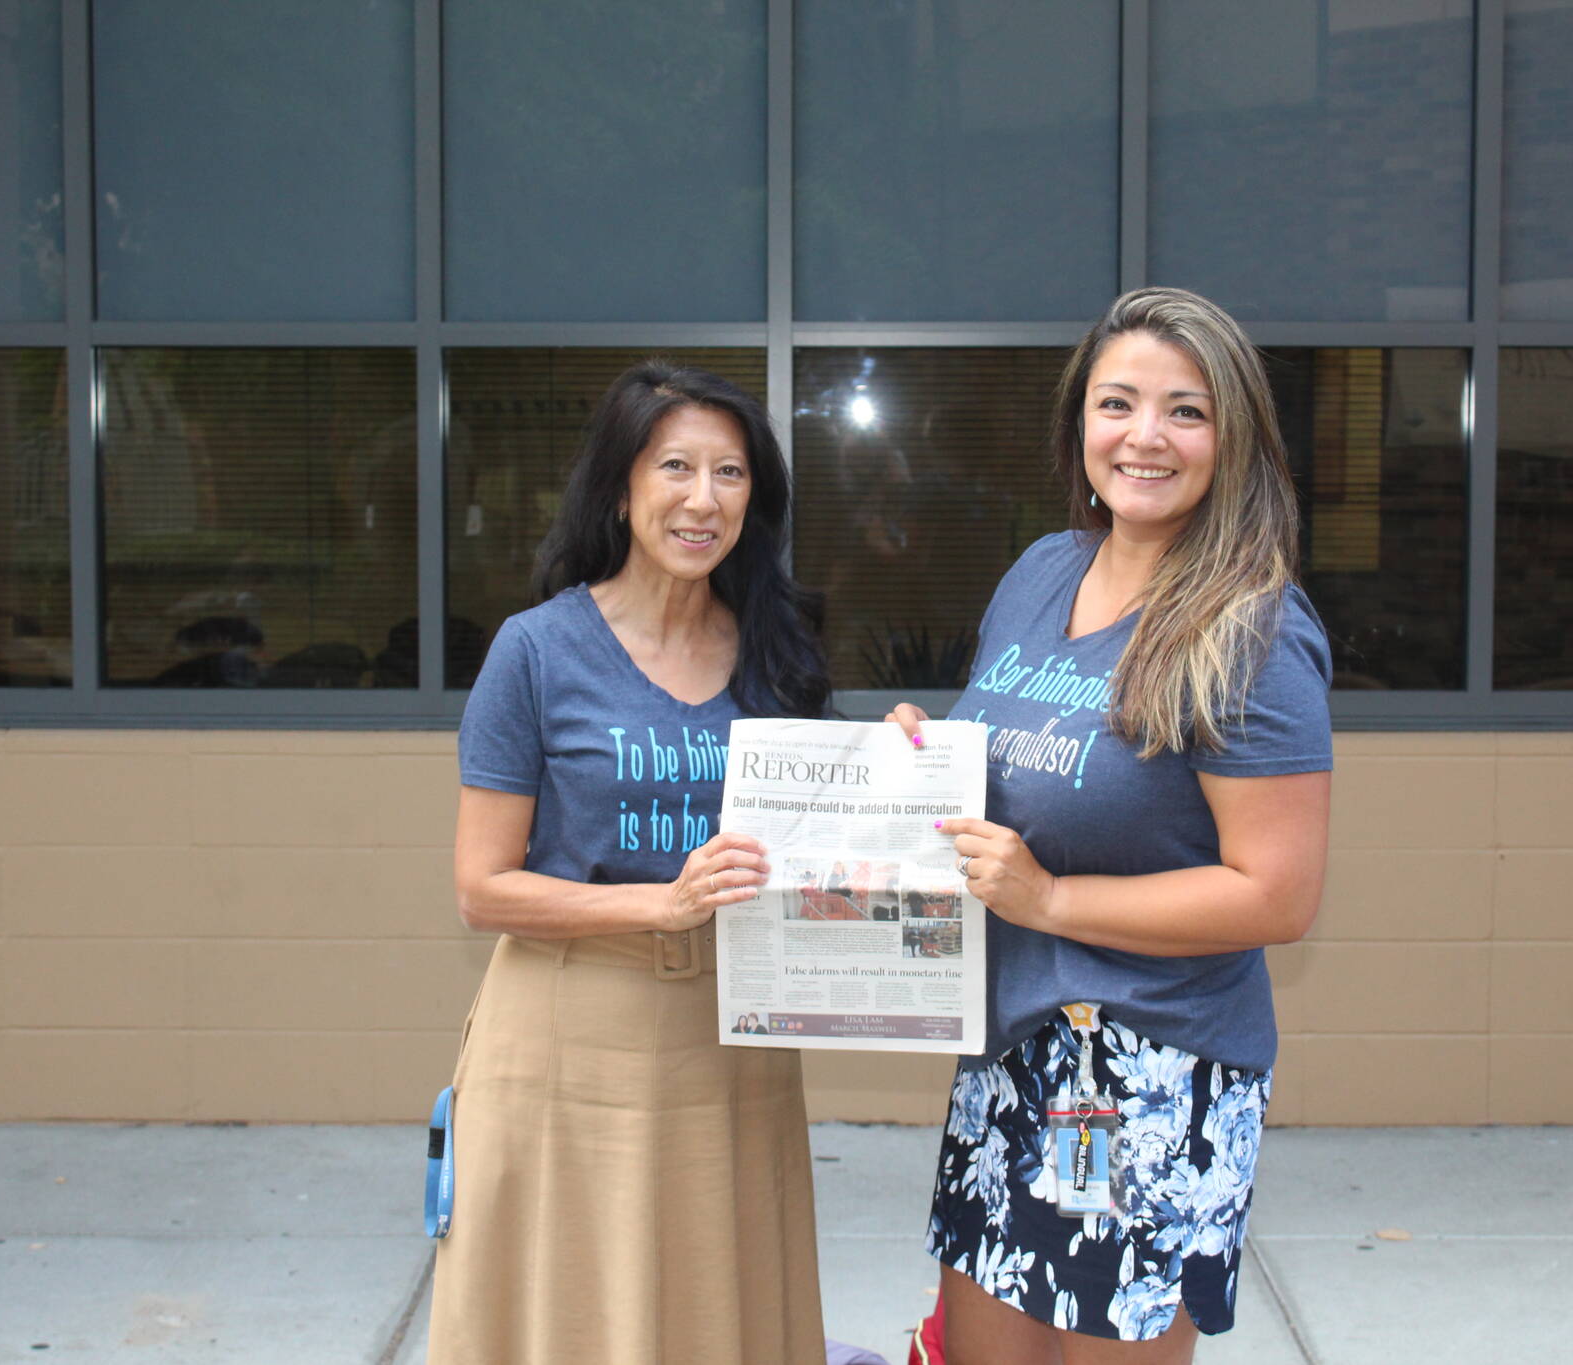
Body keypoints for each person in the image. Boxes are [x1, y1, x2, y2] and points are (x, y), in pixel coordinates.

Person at [891, 287, 1333, 1364]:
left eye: (1184, 411)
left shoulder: (1250, 626)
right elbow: (1004, 772)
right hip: (1008, 1048)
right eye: (1116, 403)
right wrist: (914, 760)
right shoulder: (1041, 572)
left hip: (1150, 1073)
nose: (1144, 436)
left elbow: (1273, 894)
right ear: (1077, 423)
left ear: (1233, 437)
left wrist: (1049, 899)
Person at [429, 360, 832, 1365]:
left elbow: (826, 835)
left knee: (715, 1310)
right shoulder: (535, 652)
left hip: (732, 1044)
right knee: (569, 1317)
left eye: (730, 474)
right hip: (569, 1038)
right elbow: (483, 888)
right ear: (619, 487)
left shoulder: (777, 657)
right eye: (675, 468)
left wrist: (906, 763)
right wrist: (661, 906)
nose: (703, 499)